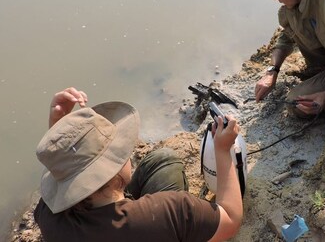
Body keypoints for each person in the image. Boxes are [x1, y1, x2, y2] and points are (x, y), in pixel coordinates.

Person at [34, 87, 243, 242]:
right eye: (120, 149)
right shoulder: (170, 212)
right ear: (113, 168)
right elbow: (231, 219)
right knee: (166, 161)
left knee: (162, 159)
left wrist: (60, 130)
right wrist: (222, 151)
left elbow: (61, 171)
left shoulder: (49, 218)